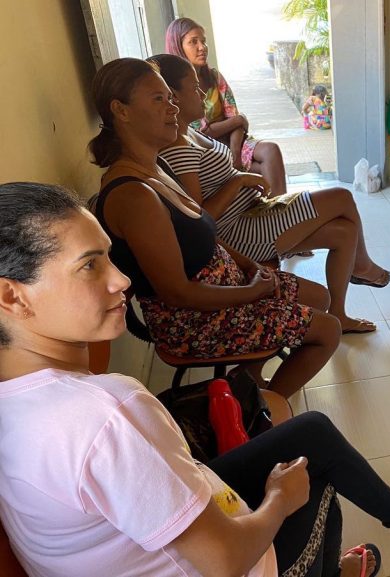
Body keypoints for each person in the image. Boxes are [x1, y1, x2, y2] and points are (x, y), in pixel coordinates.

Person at [0, 181, 390, 577]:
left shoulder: (18, 397)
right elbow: (224, 563)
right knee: (310, 475)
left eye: (109, 258)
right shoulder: (106, 414)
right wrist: (278, 500)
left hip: (155, 544)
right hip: (227, 561)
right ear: (12, 296)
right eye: (89, 265)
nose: (122, 280)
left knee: (310, 433)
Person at [89, 57, 343, 399]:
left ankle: (244, 385)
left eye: (171, 98)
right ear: (121, 110)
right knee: (327, 331)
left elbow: (206, 229)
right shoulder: (133, 196)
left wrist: (250, 266)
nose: (172, 108)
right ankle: (263, 413)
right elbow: (178, 293)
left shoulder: (157, 165)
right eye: (158, 99)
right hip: (195, 321)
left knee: (320, 297)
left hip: (227, 289)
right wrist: (252, 292)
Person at [152, 54, 387, 335]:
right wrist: (238, 181)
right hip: (239, 233)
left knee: (345, 232)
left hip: (252, 216)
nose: (202, 93)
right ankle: (362, 265)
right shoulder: (177, 150)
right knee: (341, 197)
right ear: (173, 96)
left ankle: (340, 314)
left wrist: (240, 180)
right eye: (194, 87)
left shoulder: (191, 134)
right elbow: (200, 220)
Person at [165, 18, 287, 197]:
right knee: (261, 169)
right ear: (178, 46)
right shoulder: (175, 89)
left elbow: (233, 117)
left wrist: (236, 154)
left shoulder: (214, 77)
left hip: (233, 142)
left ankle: (279, 207)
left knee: (271, 150)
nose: (202, 47)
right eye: (193, 42)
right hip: (208, 150)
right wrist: (238, 120)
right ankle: (272, 209)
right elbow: (203, 132)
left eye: (203, 41)